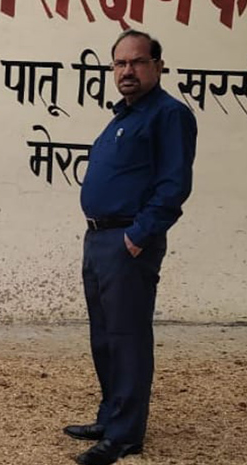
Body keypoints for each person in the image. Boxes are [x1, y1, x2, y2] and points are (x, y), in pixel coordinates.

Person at [64, 29, 197, 465]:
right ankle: (110, 417)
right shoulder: (123, 116)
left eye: (138, 62)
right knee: (104, 337)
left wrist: (139, 236)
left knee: (127, 337)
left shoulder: (168, 115)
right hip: (99, 239)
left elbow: (174, 184)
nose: (127, 70)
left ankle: (125, 435)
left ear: (158, 65)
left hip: (127, 243)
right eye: (120, 63)